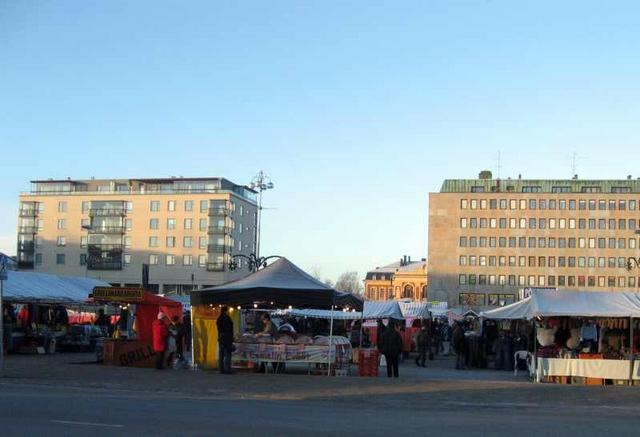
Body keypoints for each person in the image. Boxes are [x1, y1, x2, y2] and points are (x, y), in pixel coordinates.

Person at [216, 306, 234, 374]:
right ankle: (227, 369)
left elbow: (218, 327)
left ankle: (221, 369)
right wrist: (231, 338)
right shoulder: (227, 318)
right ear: (226, 311)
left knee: (221, 354)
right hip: (227, 338)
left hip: (221, 338)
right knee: (227, 354)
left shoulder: (219, 318)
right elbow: (229, 329)